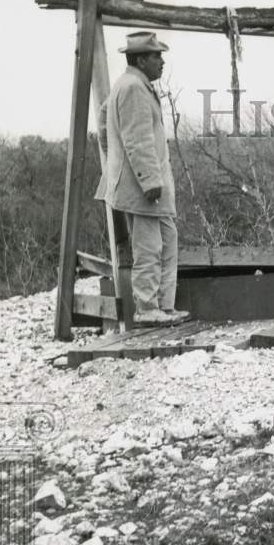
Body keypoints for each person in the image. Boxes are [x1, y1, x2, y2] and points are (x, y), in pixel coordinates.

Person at [98, 31, 189, 326]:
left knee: (167, 239)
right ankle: (148, 309)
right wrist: (147, 180)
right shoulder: (133, 88)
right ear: (141, 59)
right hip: (144, 188)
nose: (161, 62)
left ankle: (164, 305)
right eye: (156, 56)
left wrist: (116, 164)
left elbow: (103, 124)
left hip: (146, 184)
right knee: (149, 246)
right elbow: (137, 140)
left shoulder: (130, 85)